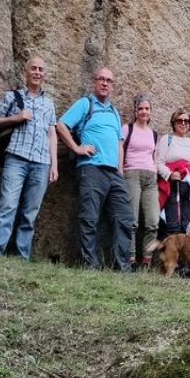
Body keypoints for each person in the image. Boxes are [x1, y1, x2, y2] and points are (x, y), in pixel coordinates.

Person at [57, 68, 131, 270]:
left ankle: (122, 266)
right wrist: (76, 148)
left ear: (112, 85)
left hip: (114, 173)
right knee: (89, 217)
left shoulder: (114, 111)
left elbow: (119, 143)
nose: (105, 83)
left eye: (109, 80)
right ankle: (90, 264)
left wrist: (120, 170)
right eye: (101, 79)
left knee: (124, 218)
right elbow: (61, 125)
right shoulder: (86, 104)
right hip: (91, 168)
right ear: (94, 82)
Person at [0, 56, 57, 261]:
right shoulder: (12, 96)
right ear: (25, 72)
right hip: (16, 157)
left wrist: (54, 165)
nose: (37, 72)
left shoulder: (49, 103)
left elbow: (52, 134)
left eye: (41, 69)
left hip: (42, 162)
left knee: (30, 212)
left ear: (45, 74)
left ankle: (21, 256)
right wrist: (15, 118)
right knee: (8, 205)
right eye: (33, 68)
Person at [121, 93, 159, 267]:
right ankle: (130, 260)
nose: (144, 112)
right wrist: (120, 171)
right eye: (141, 108)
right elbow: (120, 150)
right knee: (132, 221)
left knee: (153, 222)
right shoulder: (127, 129)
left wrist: (155, 173)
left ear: (151, 111)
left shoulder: (154, 134)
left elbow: (154, 156)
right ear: (135, 111)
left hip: (150, 178)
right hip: (132, 174)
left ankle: (147, 260)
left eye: (147, 108)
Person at [155, 108, 190, 238]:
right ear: (174, 122)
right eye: (180, 120)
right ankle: (171, 250)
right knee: (173, 224)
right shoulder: (167, 139)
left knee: (188, 224)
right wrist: (170, 175)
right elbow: (159, 162)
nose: (183, 123)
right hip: (173, 185)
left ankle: (185, 251)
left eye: (186, 121)